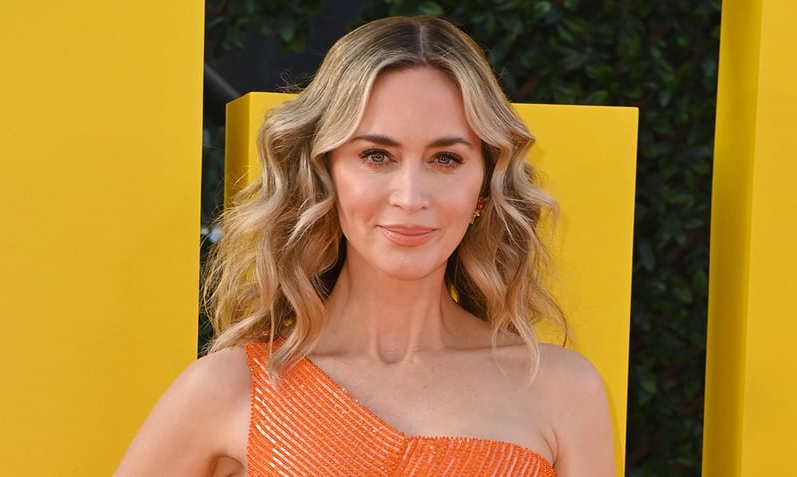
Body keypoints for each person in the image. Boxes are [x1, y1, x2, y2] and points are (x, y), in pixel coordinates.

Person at [115, 15, 614, 477]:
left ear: (485, 186)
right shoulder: (229, 390)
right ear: (323, 174)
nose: (411, 197)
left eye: (446, 159)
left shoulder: (560, 389)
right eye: (377, 155)